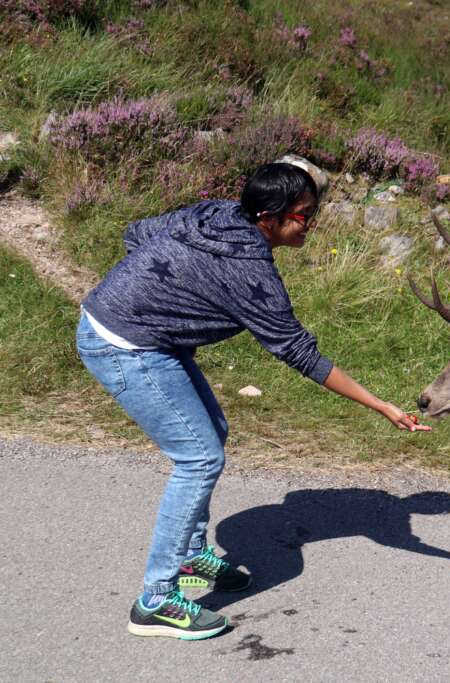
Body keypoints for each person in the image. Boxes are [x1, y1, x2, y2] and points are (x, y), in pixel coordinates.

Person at [75, 157, 430, 640]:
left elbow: (139, 233)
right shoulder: (252, 273)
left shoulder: (216, 212)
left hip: (143, 335)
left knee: (212, 432)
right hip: (125, 346)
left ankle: (189, 556)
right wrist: (383, 406)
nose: (312, 224)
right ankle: (155, 601)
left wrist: (167, 296)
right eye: (304, 215)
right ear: (270, 216)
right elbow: (301, 354)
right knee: (199, 458)